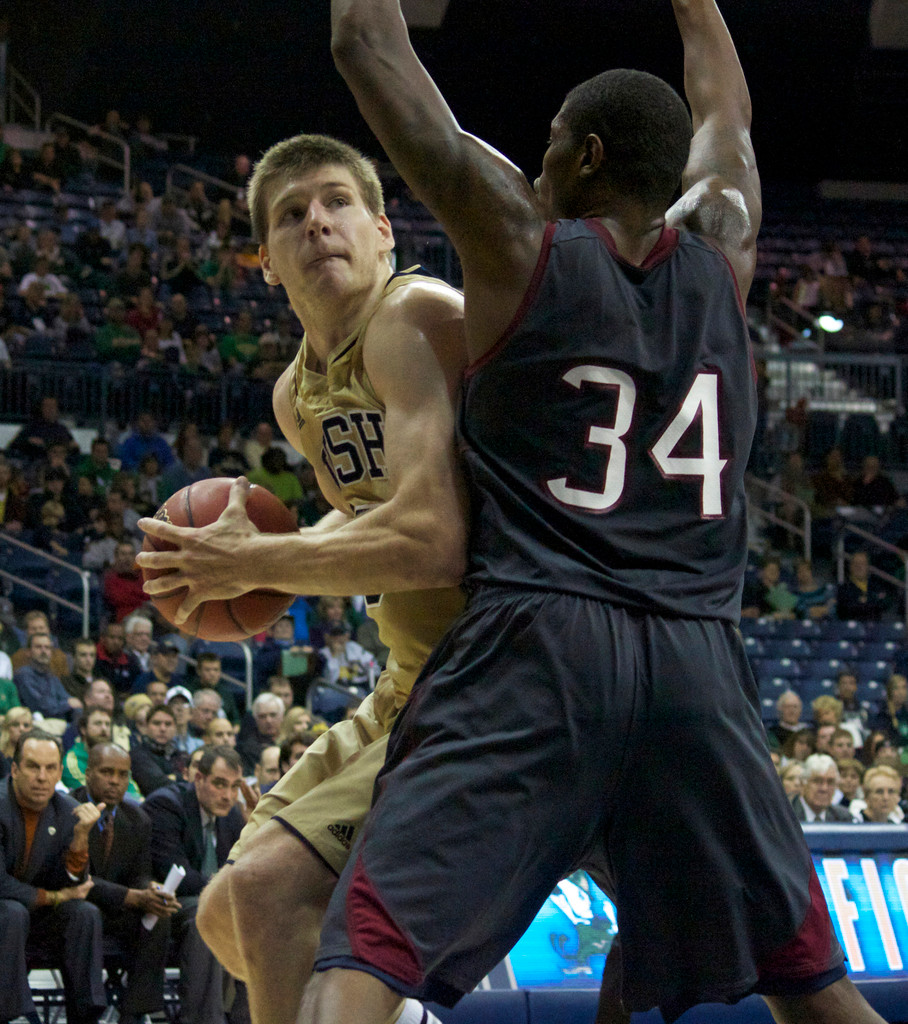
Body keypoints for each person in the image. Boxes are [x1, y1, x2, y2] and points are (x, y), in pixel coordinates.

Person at [286, 1, 889, 1023]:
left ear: (586, 154)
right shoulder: (725, 249)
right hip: (696, 664)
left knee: (362, 955)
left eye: (551, 146)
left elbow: (364, 44)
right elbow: (726, 115)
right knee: (811, 990)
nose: (535, 163)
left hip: (539, 641)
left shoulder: (519, 238)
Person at [136, 131, 466, 1024]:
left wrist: (255, 562)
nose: (317, 224)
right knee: (222, 911)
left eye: (337, 202)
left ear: (385, 229)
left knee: (268, 897)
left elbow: (432, 540)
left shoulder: (414, 318)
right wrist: (241, 567)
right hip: (410, 680)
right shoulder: (296, 394)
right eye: (291, 216)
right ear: (267, 264)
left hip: (492, 671)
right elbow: (364, 519)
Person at [0, 729, 107, 1024]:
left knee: (84, 913)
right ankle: (13, 1015)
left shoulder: (68, 810)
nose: (42, 777)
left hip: (36, 915)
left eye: (50, 768)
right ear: (14, 769)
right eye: (33, 766)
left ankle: (87, 1014)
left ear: (61, 771)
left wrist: (80, 840)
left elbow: (75, 884)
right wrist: (55, 897)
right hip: (7, 913)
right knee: (12, 912)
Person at [71, 743, 179, 1024]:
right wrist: (131, 896)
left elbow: (140, 873)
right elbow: (75, 878)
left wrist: (150, 890)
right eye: (107, 772)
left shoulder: (138, 819)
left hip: (117, 911)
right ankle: (86, 1013)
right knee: (87, 914)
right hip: (74, 908)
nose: (115, 781)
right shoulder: (68, 810)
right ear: (88, 773)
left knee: (159, 913)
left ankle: (135, 1012)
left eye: (122, 774)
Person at [144, 745, 247, 1024]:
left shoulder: (233, 815)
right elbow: (176, 874)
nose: (228, 795)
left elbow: (244, 869)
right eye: (219, 784)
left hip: (215, 902)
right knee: (205, 916)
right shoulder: (166, 805)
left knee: (257, 919)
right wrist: (227, 887)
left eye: (235, 786)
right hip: (164, 906)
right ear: (198, 779)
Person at [791, 754, 856, 823]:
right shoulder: (786, 815)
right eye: (817, 781)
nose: (824, 788)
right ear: (803, 784)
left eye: (830, 782)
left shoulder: (843, 818)